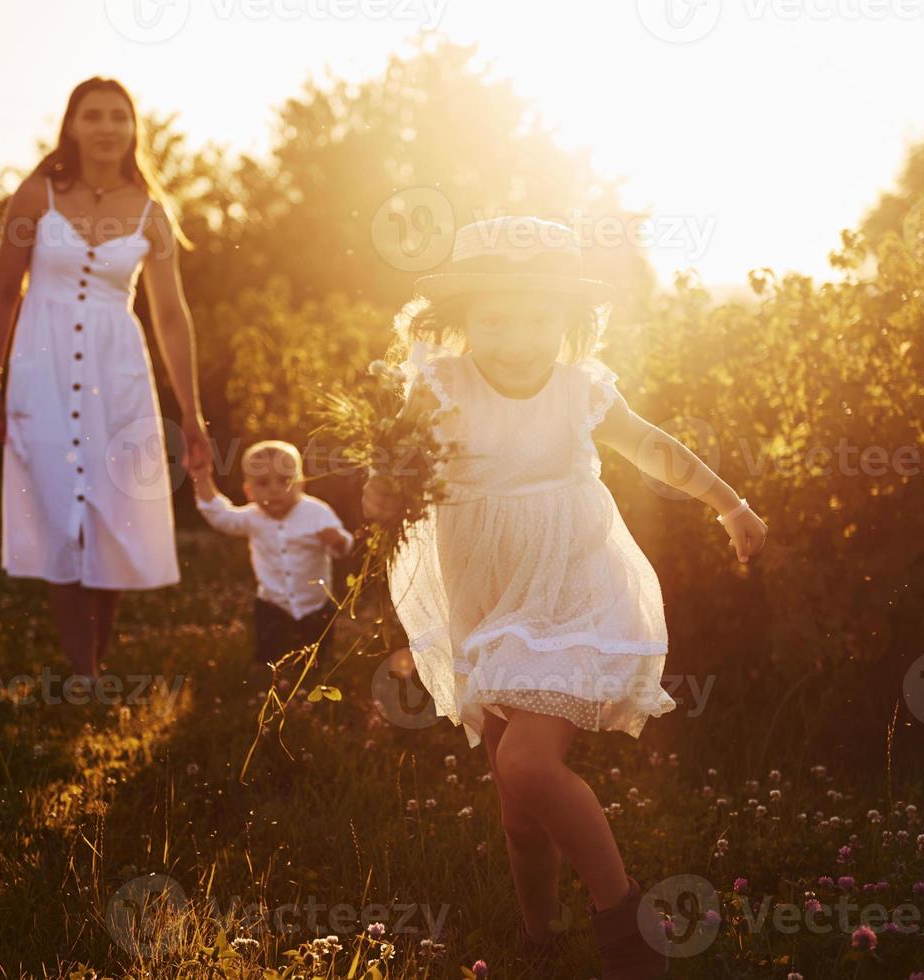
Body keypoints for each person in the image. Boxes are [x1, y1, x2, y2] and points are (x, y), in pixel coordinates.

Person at [361, 216, 767, 979]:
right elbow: (393, 473)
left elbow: (656, 449)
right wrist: (381, 493)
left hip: (575, 586)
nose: (517, 337)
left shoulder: (583, 390)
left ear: (570, 321)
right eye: (496, 319)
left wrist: (730, 504)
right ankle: (539, 939)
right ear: (464, 321)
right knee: (517, 810)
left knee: (527, 765)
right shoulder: (443, 386)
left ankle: (623, 923)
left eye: (539, 318)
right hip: (486, 597)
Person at [0, 76, 212, 681]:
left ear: (134, 129)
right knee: (60, 515)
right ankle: (85, 676)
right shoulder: (37, 195)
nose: (107, 127)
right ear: (72, 125)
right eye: (93, 115)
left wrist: (193, 413)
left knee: (112, 518)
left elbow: (171, 316)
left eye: (119, 116)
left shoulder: (154, 213)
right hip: (42, 369)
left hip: (120, 373)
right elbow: (4, 292)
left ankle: (93, 668)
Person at [191, 440, 353, 670]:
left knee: (317, 660)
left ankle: (316, 678)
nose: (275, 489)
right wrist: (202, 477)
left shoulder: (316, 512)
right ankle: (265, 681)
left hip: (315, 604)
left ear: (301, 484)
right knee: (269, 656)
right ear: (249, 491)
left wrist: (337, 541)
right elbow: (220, 515)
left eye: (285, 481)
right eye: (263, 483)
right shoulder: (252, 517)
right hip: (272, 604)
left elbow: (344, 545)